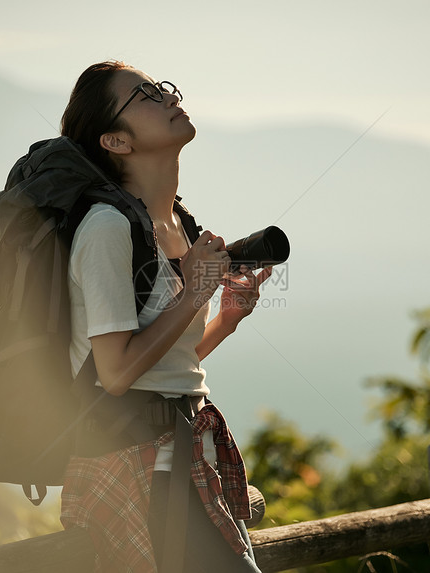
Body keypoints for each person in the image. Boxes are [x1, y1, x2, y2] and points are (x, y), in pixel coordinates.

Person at [58, 60, 271, 572]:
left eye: (162, 88)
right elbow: (115, 374)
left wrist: (226, 317)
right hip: (141, 470)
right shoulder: (107, 227)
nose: (168, 97)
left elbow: (162, 364)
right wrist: (195, 294)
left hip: (185, 457)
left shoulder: (175, 222)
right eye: (146, 96)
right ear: (116, 142)